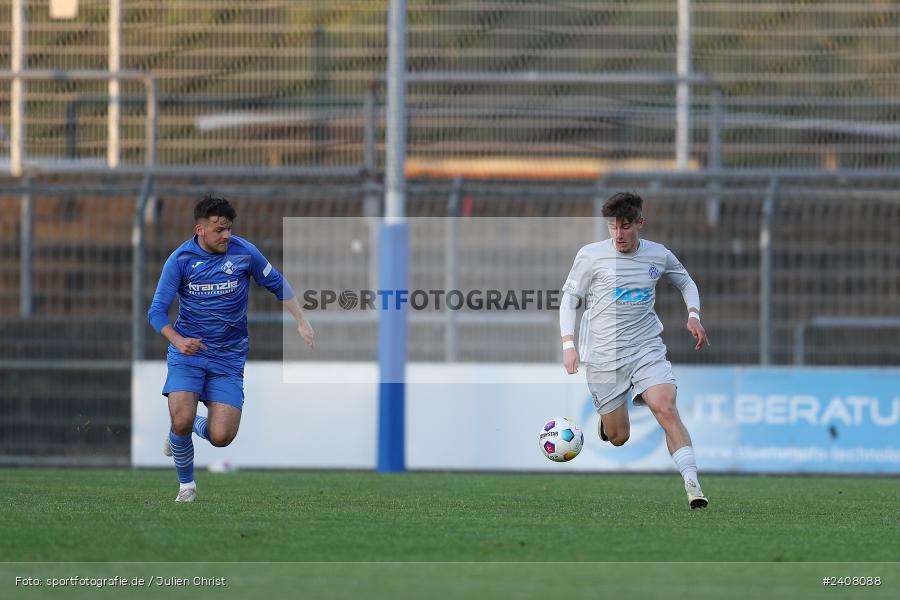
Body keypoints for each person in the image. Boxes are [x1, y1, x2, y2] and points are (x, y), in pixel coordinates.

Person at [148, 195, 315, 502]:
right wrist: (177, 340)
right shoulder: (181, 260)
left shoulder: (244, 252)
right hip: (190, 353)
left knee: (221, 437)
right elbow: (156, 311)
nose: (226, 235)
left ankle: (180, 431)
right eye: (218, 229)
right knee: (181, 417)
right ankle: (187, 486)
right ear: (200, 229)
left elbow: (278, 283)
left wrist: (301, 321)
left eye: (228, 228)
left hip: (228, 356)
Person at [560, 192, 710, 509]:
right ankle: (607, 422)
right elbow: (569, 300)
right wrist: (568, 344)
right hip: (603, 355)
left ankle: (692, 485)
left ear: (639, 223)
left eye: (625, 226)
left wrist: (693, 315)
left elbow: (686, 282)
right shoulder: (591, 256)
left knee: (666, 408)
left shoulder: (658, 256)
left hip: (645, 348)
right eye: (613, 227)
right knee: (619, 437)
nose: (618, 234)